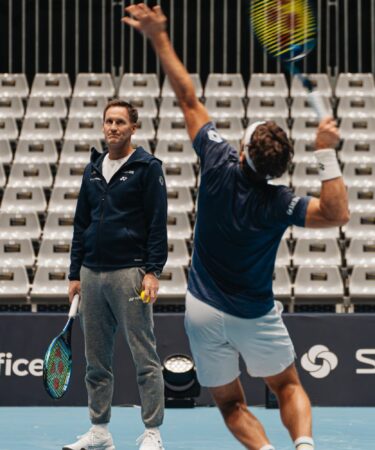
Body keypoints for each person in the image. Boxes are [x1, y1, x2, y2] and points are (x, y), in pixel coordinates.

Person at [123, 5, 350, 450]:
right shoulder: (281, 202)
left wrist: (158, 37)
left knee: (230, 404)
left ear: (243, 151)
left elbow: (188, 97)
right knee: (287, 386)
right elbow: (337, 213)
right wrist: (325, 151)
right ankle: (303, 445)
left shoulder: (217, 161)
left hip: (203, 311)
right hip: (255, 314)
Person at [65, 99, 167, 450]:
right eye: (108, 121)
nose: (112, 127)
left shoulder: (148, 167)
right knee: (96, 359)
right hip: (91, 274)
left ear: (133, 127)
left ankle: (153, 432)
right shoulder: (92, 169)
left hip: (130, 274)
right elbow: (82, 224)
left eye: (120, 122)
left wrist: (152, 272)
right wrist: (74, 273)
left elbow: (157, 225)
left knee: (144, 356)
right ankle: (100, 431)